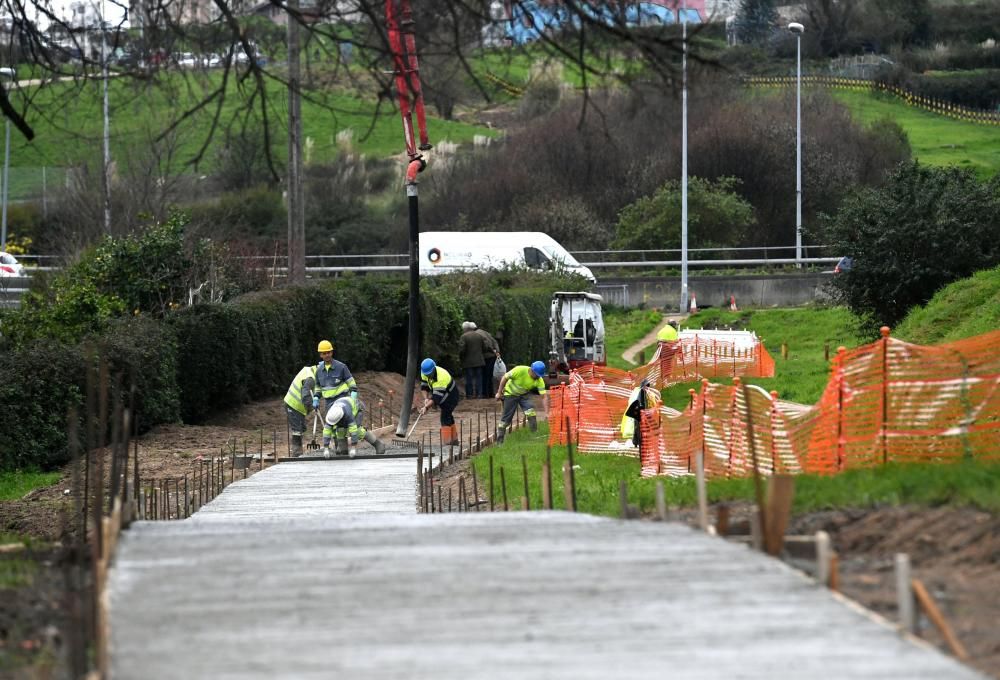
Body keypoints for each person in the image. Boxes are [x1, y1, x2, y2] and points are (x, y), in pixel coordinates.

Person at [314, 340, 358, 452]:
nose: (327, 355)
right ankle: (339, 447)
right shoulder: (319, 370)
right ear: (320, 355)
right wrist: (316, 398)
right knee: (332, 425)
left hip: (342, 400)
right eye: (324, 353)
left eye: (328, 352)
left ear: (332, 352)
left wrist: (353, 396)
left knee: (345, 424)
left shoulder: (341, 367)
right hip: (329, 402)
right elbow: (318, 386)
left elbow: (352, 383)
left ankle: (344, 447)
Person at [494, 360, 548, 443]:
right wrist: (499, 392)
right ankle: (499, 441)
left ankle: (535, 435)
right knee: (505, 420)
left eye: (539, 375)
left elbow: (544, 397)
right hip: (510, 394)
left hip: (524, 395)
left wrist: (547, 413)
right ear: (532, 370)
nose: (538, 377)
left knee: (531, 412)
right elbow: (505, 377)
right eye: (536, 375)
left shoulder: (539, 380)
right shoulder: (519, 370)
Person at [324, 393, 387, 458]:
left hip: (357, 409)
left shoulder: (348, 414)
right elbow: (326, 432)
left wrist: (353, 448)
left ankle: (378, 444)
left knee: (357, 430)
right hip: (344, 408)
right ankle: (344, 451)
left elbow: (353, 431)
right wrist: (326, 449)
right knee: (340, 430)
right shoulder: (331, 414)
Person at [419, 358, 460, 445]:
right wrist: (426, 398)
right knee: (448, 416)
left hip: (451, 396)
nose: (428, 376)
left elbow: (436, 398)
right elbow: (424, 387)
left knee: (445, 417)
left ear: (434, 368)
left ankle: (448, 444)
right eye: (427, 374)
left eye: (430, 374)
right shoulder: (425, 373)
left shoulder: (441, 377)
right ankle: (454, 441)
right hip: (441, 394)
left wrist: (426, 407)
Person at [283, 364, 319, 457]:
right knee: (297, 430)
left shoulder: (309, 370)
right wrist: (311, 408)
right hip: (293, 405)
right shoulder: (310, 378)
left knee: (302, 428)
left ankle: (298, 451)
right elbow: (306, 395)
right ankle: (297, 454)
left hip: (298, 407)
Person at [458, 321, 486, 399]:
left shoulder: (464, 336)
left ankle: (469, 395)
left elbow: (462, 350)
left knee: (469, 378)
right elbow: (485, 347)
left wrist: (461, 358)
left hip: (468, 362)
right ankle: (479, 394)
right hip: (479, 361)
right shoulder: (479, 336)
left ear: (465, 329)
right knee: (479, 378)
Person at [477, 325, 500, 399]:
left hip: (486, 357)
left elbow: (487, 345)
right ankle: (490, 393)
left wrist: (490, 350)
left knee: (485, 375)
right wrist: (496, 351)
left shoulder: (478, 333)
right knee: (489, 376)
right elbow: (495, 342)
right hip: (492, 356)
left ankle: (485, 394)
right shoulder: (487, 333)